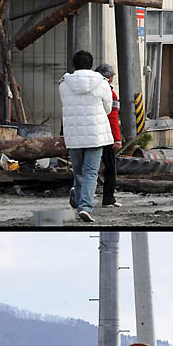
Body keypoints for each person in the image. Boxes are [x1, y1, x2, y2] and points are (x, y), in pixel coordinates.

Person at [59, 50, 113, 223]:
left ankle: (81, 202)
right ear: (91, 64)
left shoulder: (64, 84)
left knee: (78, 172)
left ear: (74, 64)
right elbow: (108, 108)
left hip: (74, 135)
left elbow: (66, 105)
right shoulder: (102, 84)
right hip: (96, 135)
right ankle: (85, 207)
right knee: (91, 172)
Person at [95, 62, 122, 207]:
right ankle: (108, 198)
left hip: (90, 135)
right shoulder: (110, 94)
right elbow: (113, 118)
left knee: (89, 167)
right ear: (110, 78)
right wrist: (117, 139)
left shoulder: (90, 91)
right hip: (106, 136)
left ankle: (81, 196)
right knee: (110, 168)